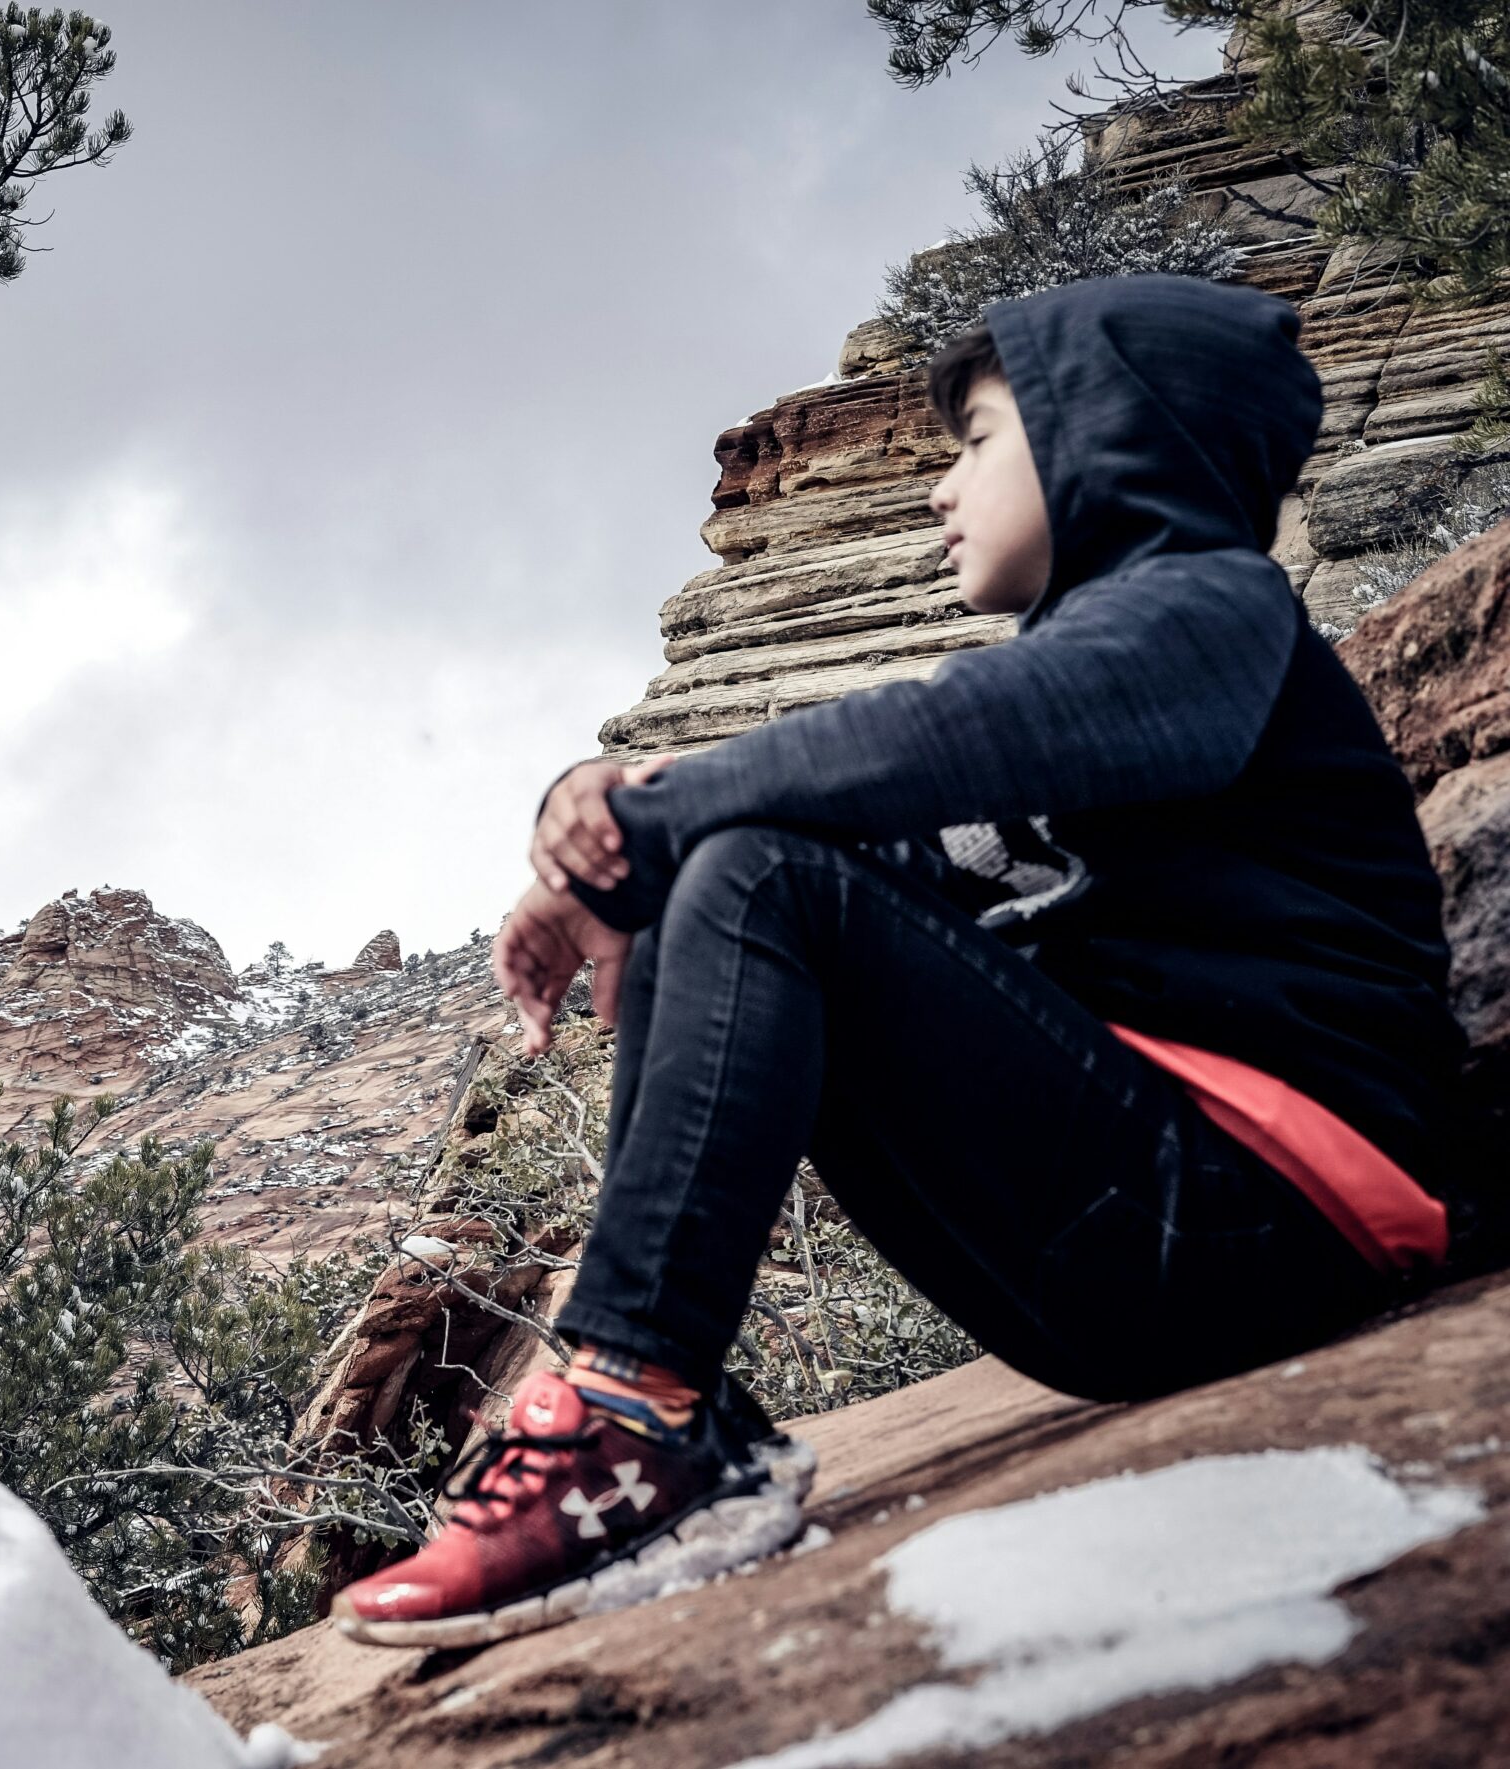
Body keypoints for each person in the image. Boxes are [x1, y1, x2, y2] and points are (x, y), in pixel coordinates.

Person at [331, 273, 1495, 1648]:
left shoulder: (1213, 612)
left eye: (981, 439)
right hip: (1136, 1254)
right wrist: (611, 837)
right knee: (754, 872)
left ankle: (636, 1414)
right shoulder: (1120, 680)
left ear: (1106, 433)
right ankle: (656, 1421)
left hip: (1272, 1213)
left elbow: (916, 740)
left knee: (758, 868)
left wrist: (628, 833)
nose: (944, 490)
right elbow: (852, 861)